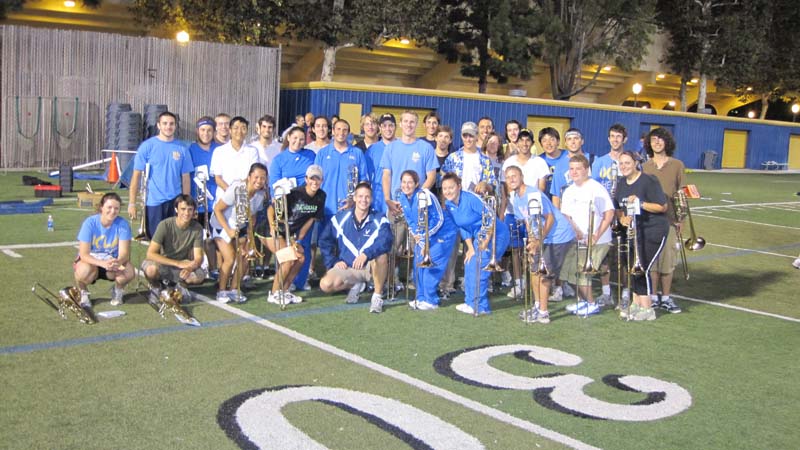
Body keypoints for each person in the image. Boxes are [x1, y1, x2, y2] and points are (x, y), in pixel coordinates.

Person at [505, 165, 567, 323]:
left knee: (544, 274)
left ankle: (544, 313)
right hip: (540, 237)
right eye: (508, 177)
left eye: (514, 176)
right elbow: (528, 221)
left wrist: (539, 241)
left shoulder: (533, 194)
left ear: (522, 177)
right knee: (534, 271)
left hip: (556, 236)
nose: (511, 179)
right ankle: (538, 305)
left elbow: (550, 218)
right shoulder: (516, 198)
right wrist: (532, 241)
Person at [319, 182, 393, 313]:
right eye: (360, 196)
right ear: (354, 198)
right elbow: (325, 241)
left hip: (371, 268)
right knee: (325, 284)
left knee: (382, 255)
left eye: (367, 197)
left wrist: (366, 254)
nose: (363, 200)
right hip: (350, 268)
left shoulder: (380, 218)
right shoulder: (341, 218)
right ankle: (356, 285)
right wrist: (334, 261)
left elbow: (385, 241)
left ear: (372, 199)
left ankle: (377, 296)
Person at [442, 173, 509, 315]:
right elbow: (462, 226)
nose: (448, 191)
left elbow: (490, 215)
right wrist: (470, 248)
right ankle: (470, 302)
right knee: (469, 262)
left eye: (451, 187)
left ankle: (481, 306)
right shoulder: (448, 204)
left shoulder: (470, 199)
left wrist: (486, 239)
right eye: (445, 188)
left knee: (481, 268)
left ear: (459, 187)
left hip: (496, 234)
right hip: (479, 236)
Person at [614, 151, 669, 321]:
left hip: (652, 230)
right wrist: (622, 218)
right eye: (621, 163)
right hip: (632, 232)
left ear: (636, 163)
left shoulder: (648, 180)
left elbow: (662, 206)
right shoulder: (621, 182)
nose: (624, 166)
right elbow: (618, 206)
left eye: (627, 163)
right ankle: (636, 303)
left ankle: (647, 308)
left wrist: (641, 203)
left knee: (642, 267)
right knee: (633, 267)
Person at [262, 164, 326, 305]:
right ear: (306, 179)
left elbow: (310, 220)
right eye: (312, 178)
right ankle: (273, 294)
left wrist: (298, 240)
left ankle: (284, 291)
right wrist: (272, 225)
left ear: (322, 180)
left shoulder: (321, 196)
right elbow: (271, 209)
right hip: (269, 230)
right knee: (288, 259)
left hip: (287, 234)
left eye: (318, 179)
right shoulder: (294, 193)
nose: (314, 182)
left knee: (301, 258)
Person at [559, 155, 615, 316]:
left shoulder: (596, 188)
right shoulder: (569, 191)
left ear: (586, 170)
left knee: (582, 272)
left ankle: (591, 304)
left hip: (598, 241)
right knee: (570, 272)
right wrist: (576, 232)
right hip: (577, 240)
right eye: (571, 169)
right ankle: (583, 302)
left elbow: (609, 213)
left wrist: (596, 235)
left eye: (578, 168)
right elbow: (566, 215)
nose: (574, 172)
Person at [398, 170, 458, 310]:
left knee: (432, 265)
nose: (406, 185)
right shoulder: (402, 197)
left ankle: (431, 300)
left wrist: (425, 236)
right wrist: (417, 236)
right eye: (404, 182)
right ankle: (420, 298)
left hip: (443, 233)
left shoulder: (425, 195)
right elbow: (410, 220)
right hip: (424, 235)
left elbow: (439, 218)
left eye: (410, 182)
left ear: (417, 183)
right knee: (418, 264)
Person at [128, 111, 193, 239]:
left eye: (171, 124)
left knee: (174, 239)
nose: (168, 127)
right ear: (158, 125)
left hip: (175, 201)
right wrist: (132, 203)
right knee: (155, 241)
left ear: (175, 126)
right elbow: (136, 176)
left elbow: (186, 179)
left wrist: (186, 203)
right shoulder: (147, 147)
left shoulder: (182, 149)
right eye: (165, 123)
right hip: (154, 202)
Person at [210, 163, 268, 303]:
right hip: (220, 225)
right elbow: (218, 210)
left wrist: (249, 236)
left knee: (245, 256)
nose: (259, 181)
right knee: (230, 258)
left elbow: (252, 216)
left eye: (262, 178)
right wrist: (228, 230)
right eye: (256, 177)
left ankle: (234, 289)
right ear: (249, 177)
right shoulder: (237, 188)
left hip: (239, 228)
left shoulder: (260, 195)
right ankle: (221, 291)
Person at [642, 127, 684, 314]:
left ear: (667, 142)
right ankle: (652, 297)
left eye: (660, 139)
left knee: (667, 262)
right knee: (652, 261)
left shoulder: (677, 165)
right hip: (649, 221)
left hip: (669, 221)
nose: (657, 143)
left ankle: (666, 298)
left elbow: (682, 193)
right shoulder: (645, 166)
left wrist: (681, 218)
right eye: (653, 140)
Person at [74, 193, 135, 308]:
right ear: (101, 207)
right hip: (92, 263)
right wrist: (102, 263)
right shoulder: (90, 223)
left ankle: (117, 290)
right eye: (109, 207)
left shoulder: (123, 224)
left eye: (116, 208)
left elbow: (124, 254)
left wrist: (118, 261)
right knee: (83, 271)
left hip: (111, 263)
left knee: (129, 272)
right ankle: (83, 292)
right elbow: (84, 254)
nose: (113, 211)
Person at [592, 123, 630, 305]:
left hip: (624, 213)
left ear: (625, 139)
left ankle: (625, 293)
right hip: (605, 214)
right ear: (608, 139)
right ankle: (606, 292)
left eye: (618, 137)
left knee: (624, 255)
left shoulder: (630, 161)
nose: (615, 140)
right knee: (605, 254)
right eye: (612, 136)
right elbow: (594, 187)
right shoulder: (599, 161)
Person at [142, 195, 206, 300]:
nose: (186, 213)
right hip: (163, 263)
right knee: (151, 270)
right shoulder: (165, 225)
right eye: (183, 209)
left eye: (190, 209)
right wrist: (178, 263)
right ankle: (155, 287)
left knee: (198, 277)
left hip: (183, 265)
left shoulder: (197, 228)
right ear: (176, 209)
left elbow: (199, 257)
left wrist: (189, 268)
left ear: (194, 211)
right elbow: (150, 254)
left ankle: (177, 285)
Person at [381, 111, 439, 219]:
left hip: (418, 207)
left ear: (416, 124)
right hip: (396, 205)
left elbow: (432, 176)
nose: (409, 124)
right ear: (401, 124)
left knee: (417, 236)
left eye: (412, 122)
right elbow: (386, 175)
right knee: (395, 236)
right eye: (406, 121)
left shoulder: (426, 148)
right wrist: (388, 199)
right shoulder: (390, 148)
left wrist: (417, 198)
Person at [209, 116, 259, 205]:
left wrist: (240, 195)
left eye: (243, 128)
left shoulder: (252, 151)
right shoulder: (219, 151)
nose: (239, 131)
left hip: (245, 199)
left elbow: (252, 176)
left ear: (247, 131)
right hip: (223, 200)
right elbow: (218, 178)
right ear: (230, 130)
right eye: (236, 128)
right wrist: (232, 194)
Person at [441, 122, 496, 193]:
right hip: (456, 200)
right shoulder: (453, 158)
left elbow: (493, 184)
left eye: (471, 136)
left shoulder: (485, 160)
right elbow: (442, 180)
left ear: (477, 136)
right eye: (465, 136)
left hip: (476, 200)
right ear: (461, 136)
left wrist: (485, 185)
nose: (468, 139)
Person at [188, 116, 220, 231]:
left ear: (214, 132)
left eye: (209, 130)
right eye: (202, 130)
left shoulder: (220, 150)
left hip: (218, 205)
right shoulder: (190, 150)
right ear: (197, 131)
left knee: (216, 242)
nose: (206, 133)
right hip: (197, 205)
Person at [365, 113, 397, 215]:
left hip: (398, 199)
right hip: (378, 201)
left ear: (395, 127)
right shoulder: (372, 150)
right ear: (380, 128)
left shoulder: (402, 147)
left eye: (391, 125)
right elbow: (367, 178)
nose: (388, 129)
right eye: (384, 126)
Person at [501, 128, 549, 193]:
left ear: (532, 143)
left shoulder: (540, 162)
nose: (524, 144)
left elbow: (541, 189)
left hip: (533, 201)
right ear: (517, 143)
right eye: (521, 140)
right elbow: (504, 187)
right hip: (512, 202)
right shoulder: (509, 162)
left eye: (528, 140)